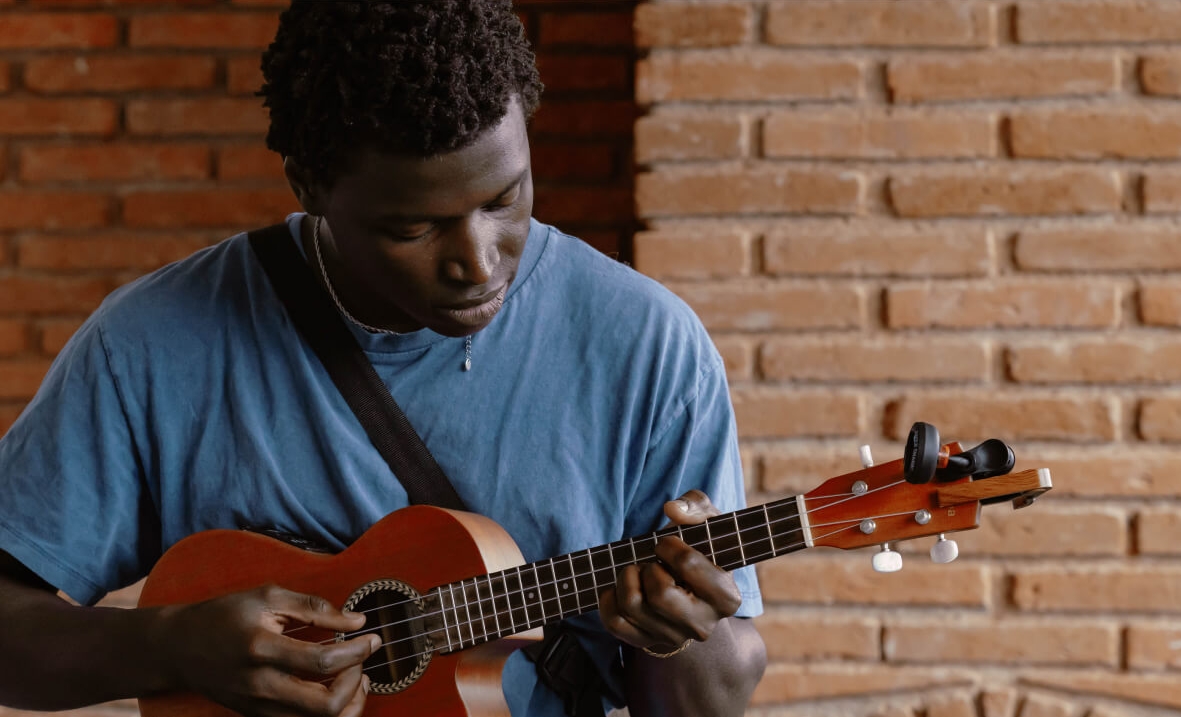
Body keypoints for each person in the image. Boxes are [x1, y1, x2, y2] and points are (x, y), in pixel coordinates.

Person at [0, 2, 766, 716]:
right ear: (311, 187)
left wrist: (682, 630)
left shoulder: (646, 344)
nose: (477, 260)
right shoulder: (150, 344)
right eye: (413, 229)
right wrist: (166, 645)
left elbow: (706, 697)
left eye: (504, 198)